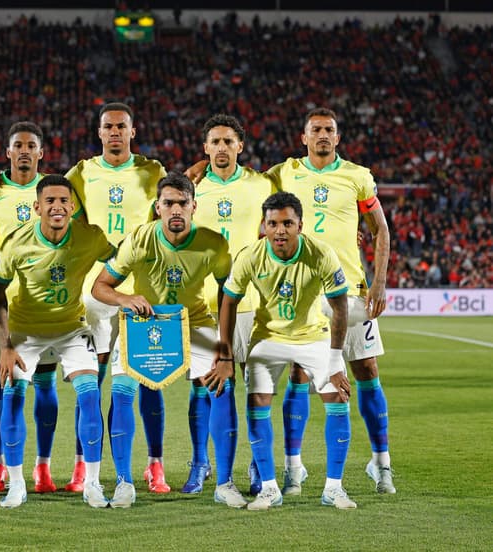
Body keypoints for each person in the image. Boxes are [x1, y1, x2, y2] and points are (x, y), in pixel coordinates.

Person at [92, 172, 246, 508]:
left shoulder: (214, 244)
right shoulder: (139, 240)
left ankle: (224, 482)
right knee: (121, 392)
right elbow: (100, 287)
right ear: (158, 208)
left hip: (194, 321)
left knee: (222, 386)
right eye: (169, 203)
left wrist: (225, 350)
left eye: (182, 203)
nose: (176, 209)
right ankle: (123, 483)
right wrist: (126, 298)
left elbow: (227, 296)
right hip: (145, 323)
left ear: (194, 206)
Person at [267, 108, 394, 495]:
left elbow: (381, 230)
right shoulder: (283, 174)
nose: (323, 135)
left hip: (352, 291)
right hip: (303, 293)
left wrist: (379, 283)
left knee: (367, 370)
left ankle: (381, 463)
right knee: (299, 375)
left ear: (338, 138)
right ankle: (294, 467)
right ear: (303, 137)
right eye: (316, 130)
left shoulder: (357, 177)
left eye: (329, 130)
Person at [206, 191, 356, 510]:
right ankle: (270, 489)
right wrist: (224, 354)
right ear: (264, 226)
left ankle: (334, 488)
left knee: (338, 396)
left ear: (300, 225)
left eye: (287, 223)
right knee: (257, 398)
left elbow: (340, 307)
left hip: (313, 335)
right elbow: (228, 300)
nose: (280, 230)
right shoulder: (251, 255)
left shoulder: (320, 254)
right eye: (273, 223)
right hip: (268, 336)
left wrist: (334, 362)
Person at [0, 174, 114, 509]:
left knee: (90, 398)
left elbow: (121, 260)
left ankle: (92, 483)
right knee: (13, 397)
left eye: (63, 201)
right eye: (50, 201)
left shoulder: (91, 237)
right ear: (37, 207)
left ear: (73, 207)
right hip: (25, 330)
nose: (57, 207)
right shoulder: (17, 242)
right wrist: (5, 345)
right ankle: (17, 485)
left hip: (72, 327)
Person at [66, 102, 170, 493]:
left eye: (120, 127)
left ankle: (154, 465)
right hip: (93, 291)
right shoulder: (82, 172)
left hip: (141, 290)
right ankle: (81, 465)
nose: (113, 132)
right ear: (99, 132)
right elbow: (51, 202)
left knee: (149, 379)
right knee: (90, 380)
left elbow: (178, 203)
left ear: (132, 131)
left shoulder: (152, 170)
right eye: (107, 126)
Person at [0, 122, 63, 494]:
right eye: (18, 145)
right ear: (7, 152)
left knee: (45, 382)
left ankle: (42, 467)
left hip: (46, 300)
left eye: (31, 146)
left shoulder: (53, 192)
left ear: (42, 153)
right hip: (2, 300)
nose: (24, 151)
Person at [190, 114, 272, 495]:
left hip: (249, 305)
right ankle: (206, 467)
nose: (222, 148)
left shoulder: (261, 185)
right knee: (211, 388)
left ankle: (258, 467)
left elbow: (291, 218)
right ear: (205, 148)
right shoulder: (191, 190)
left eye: (228, 141)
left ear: (241, 146)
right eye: (215, 142)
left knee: (257, 389)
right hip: (203, 305)